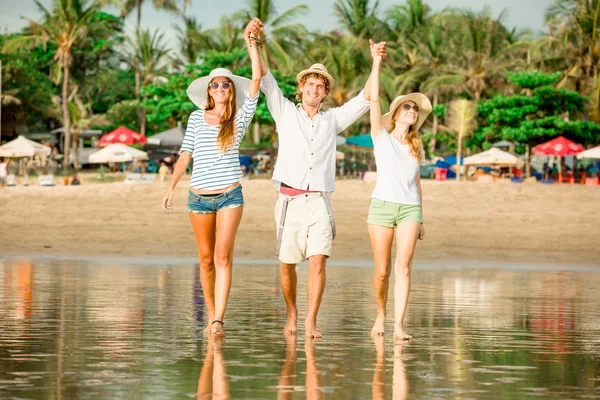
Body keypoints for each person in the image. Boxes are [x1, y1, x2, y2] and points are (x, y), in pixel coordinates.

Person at [245, 19, 386, 338]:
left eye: (320, 86)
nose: (314, 88)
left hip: (320, 201)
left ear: (325, 93)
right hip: (288, 201)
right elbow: (264, 78)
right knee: (287, 265)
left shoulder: (332, 120)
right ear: (301, 88)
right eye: (310, 83)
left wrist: (376, 61)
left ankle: (310, 320)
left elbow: (366, 98)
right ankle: (292, 313)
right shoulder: (284, 111)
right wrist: (252, 42)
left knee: (319, 262)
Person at [161, 19, 262, 336]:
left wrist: (251, 42)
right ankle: (209, 315)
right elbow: (185, 154)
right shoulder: (194, 118)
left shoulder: (240, 116)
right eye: (215, 84)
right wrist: (171, 186)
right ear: (208, 91)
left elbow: (257, 77)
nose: (220, 88)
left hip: (230, 194)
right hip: (198, 196)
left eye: (226, 84)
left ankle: (218, 318)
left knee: (222, 255)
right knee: (205, 260)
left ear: (232, 90)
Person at [366, 39, 432, 341]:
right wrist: (376, 61)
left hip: (409, 210)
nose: (412, 111)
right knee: (382, 271)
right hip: (381, 207)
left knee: (403, 267)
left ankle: (398, 325)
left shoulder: (417, 147)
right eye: (407, 107)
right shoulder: (381, 137)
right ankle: (380, 314)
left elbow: (416, 183)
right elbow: (374, 98)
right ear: (395, 114)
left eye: (415, 109)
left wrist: (421, 218)